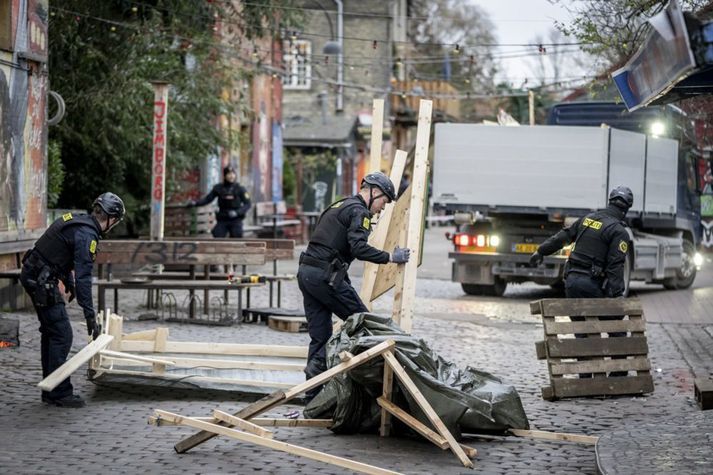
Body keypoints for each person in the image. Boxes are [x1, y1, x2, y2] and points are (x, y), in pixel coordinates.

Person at [298, 172, 411, 402]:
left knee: (319, 337)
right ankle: (375, 387)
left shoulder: (339, 205)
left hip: (307, 274)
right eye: (384, 202)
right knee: (363, 324)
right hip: (325, 277)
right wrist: (391, 256)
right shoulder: (359, 211)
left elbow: (332, 246)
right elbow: (359, 248)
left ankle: (313, 396)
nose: (381, 208)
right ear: (373, 191)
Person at [20, 192, 125, 407]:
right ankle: (59, 392)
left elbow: (60, 253)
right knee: (62, 334)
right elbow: (84, 278)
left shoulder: (78, 221)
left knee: (51, 332)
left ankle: (51, 387)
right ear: (111, 219)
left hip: (34, 273)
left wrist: (69, 282)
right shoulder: (88, 236)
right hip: (41, 281)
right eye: (115, 222)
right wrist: (90, 316)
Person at [529, 186, 633, 377]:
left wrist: (541, 251)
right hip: (592, 286)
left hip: (571, 283)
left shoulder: (588, 219)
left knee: (581, 330)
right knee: (616, 328)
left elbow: (562, 237)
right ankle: (618, 378)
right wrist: (617, 297)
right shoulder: (619, 232)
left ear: (609, 202)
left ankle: (585, 375)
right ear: (626, 209)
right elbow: (615, 267)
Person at [186, 165, 251, 238]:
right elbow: (208, 199)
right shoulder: (219, 188)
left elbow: (248, 204)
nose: (231, 176)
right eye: (229, 174)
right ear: (225, 175)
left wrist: (237, 212)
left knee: (237, 235)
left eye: (233, 174)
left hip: (236, 219)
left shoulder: (240, 189)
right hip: (223, 218)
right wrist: (195, 203)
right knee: (217, 234)